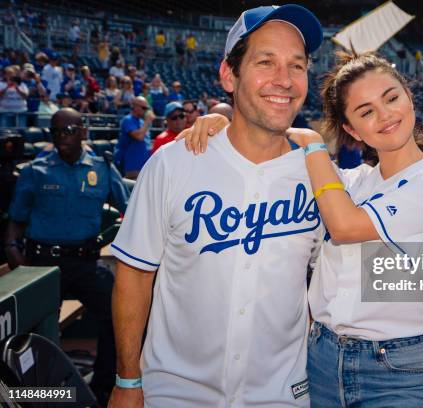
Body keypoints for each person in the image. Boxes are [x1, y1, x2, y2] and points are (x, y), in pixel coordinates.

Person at [182, 52, 423, 407]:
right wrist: (222, 121)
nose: (385, 115)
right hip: (319, 359)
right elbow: (267, 153)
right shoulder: (351, 181)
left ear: (409, 97)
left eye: (392, 97)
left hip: (398, 368)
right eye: (365, 111)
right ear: (351, 129)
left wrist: (313, 144)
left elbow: (346, 225)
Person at [108, 5, 323, 407]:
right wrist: (127, 381)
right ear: (229, 74)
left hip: (282, 396)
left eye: (297, 66)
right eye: (266, 62)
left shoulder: (321, 179)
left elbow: (347, 277)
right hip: (173, 394)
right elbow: (134, 276)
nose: (284, 80)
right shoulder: (173, 164)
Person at [4, 108, 130, 406]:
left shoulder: (101, 168)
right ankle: (40, 397)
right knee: (33, 335)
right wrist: (15, 256)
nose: (63, 137)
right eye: (57, 131)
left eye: (70, 130)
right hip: (43, 264)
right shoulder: (36, 170)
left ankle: (100, 389)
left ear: (84, 131)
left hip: (86, 262)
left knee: (119, 315)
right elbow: (15, 222)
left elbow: (130, 208)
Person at [113, 96, 154, 179]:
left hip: (144, 168)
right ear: (135, 106)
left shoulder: (142, 122)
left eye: (147, 108)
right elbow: (139, 137)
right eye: (144, 108)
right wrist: (147, 121)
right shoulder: (128, 120)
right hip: (132, 169)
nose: (146, 110)